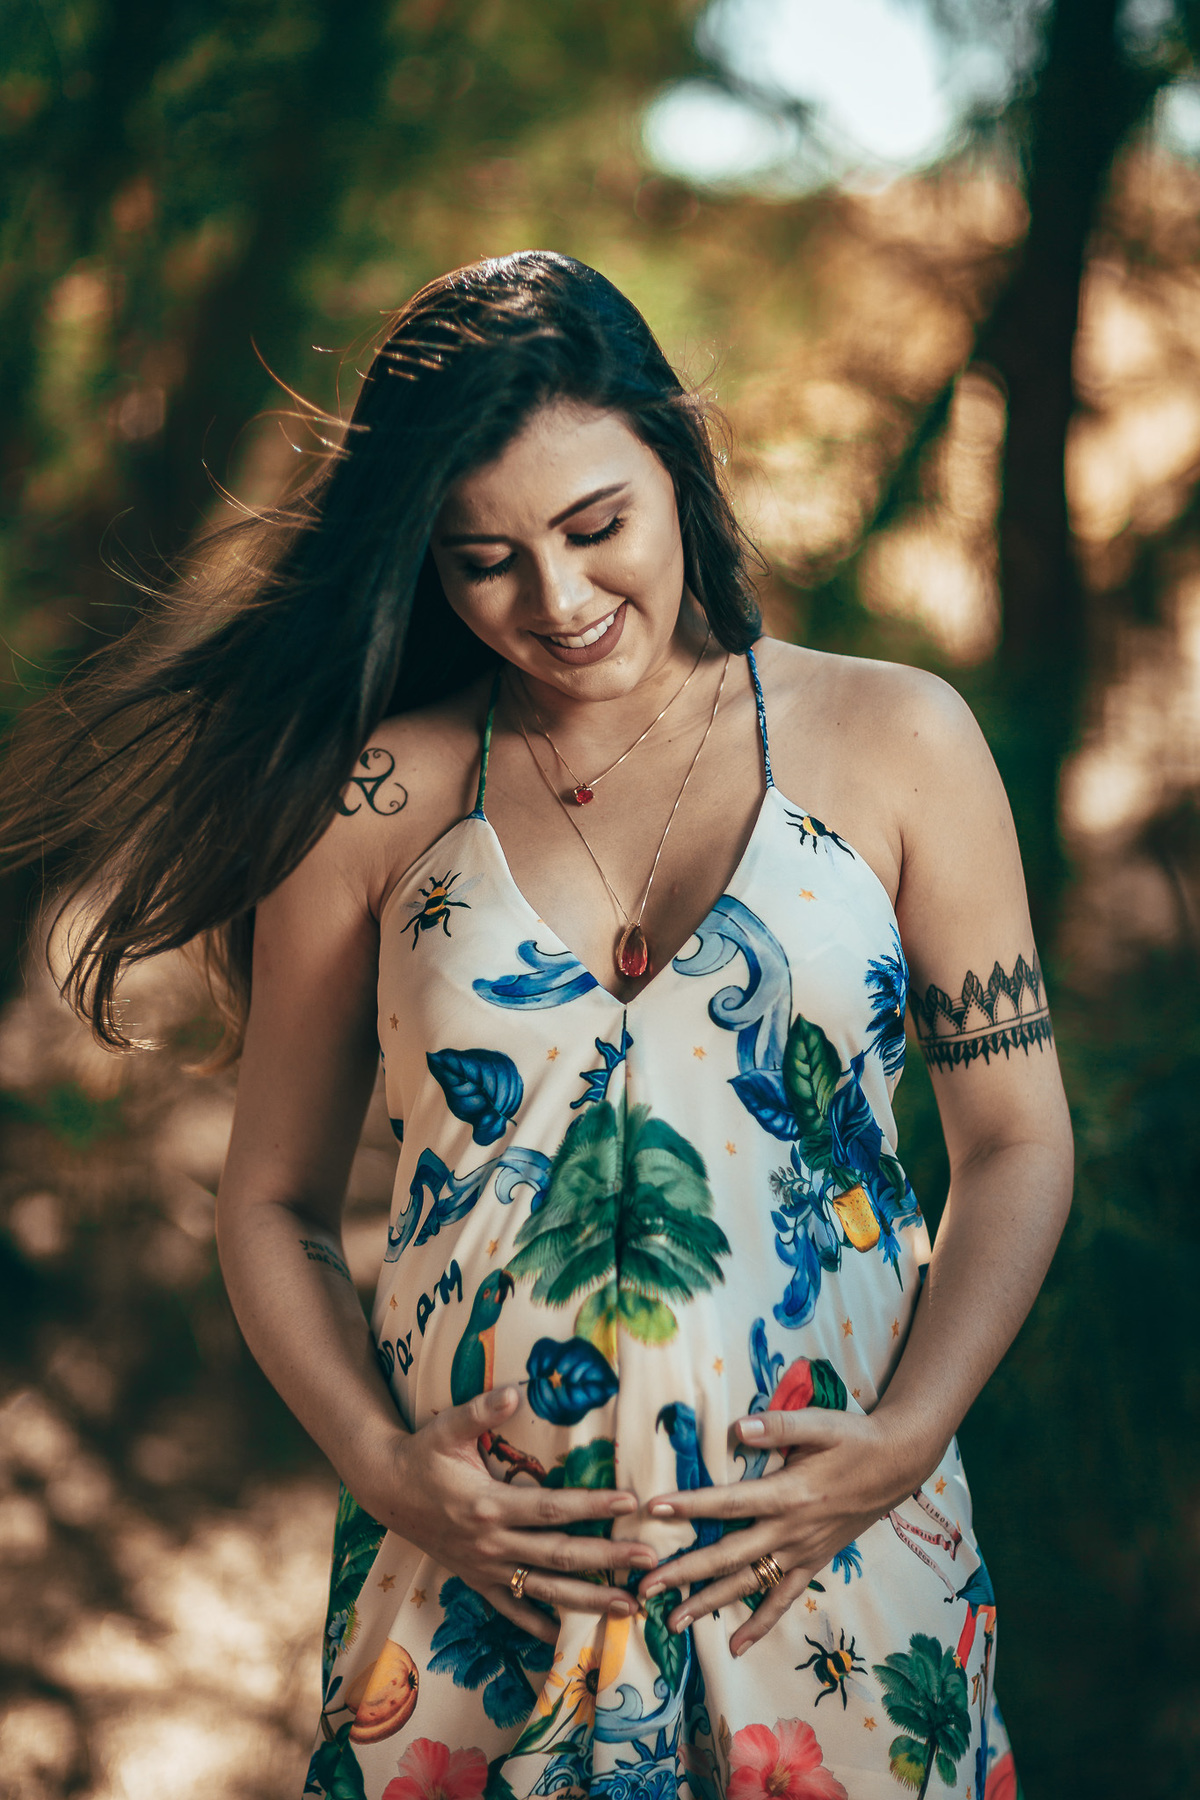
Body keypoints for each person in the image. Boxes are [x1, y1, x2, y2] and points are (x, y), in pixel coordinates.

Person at [2, 252, 1072, 1798]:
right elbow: (275, 1203)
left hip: (842, 1590)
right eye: (481, 558)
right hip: (469, 1607)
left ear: (676, 466)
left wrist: (909, 1437)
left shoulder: (900, 742)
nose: (556, 602)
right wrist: (386, 1472)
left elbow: (1019, 1138)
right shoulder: (376, 795)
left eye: (594, 528)